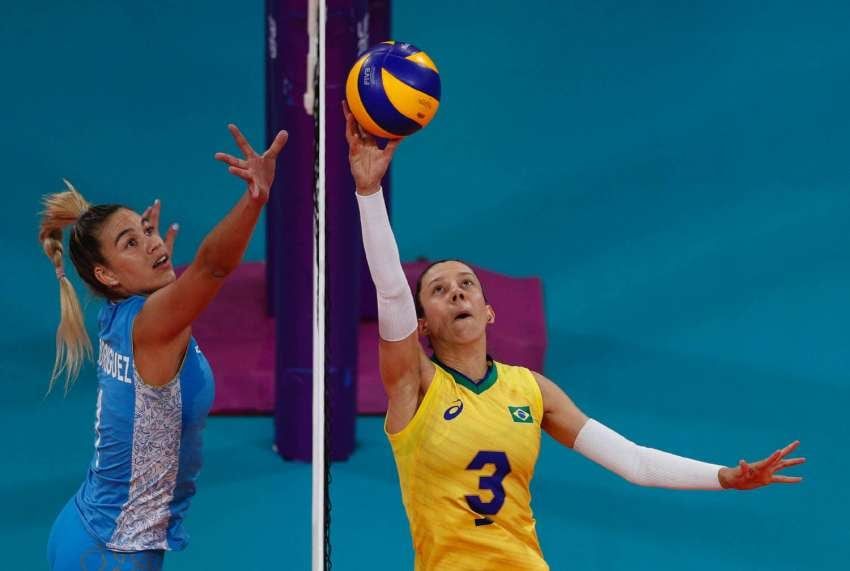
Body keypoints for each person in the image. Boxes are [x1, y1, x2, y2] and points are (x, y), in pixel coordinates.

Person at [343, 102, 806, 571]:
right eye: (439, 291)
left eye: (467, 285)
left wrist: (726, 477)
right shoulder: (415, 385)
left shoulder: (531, 390)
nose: (457, 294)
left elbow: (636, 463)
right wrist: (368, 191)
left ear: (488, 311)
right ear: (423, 325)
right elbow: (393, 294)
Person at [41, 125, 287, 571]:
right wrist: (254, 198)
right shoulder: (152, 326)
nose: (152, 243)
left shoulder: (115, 313)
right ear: (107, 276)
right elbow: (211, 268)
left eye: (145, 229)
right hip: (111, 555)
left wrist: (156, 273)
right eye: (130, 244)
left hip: (84, 530)